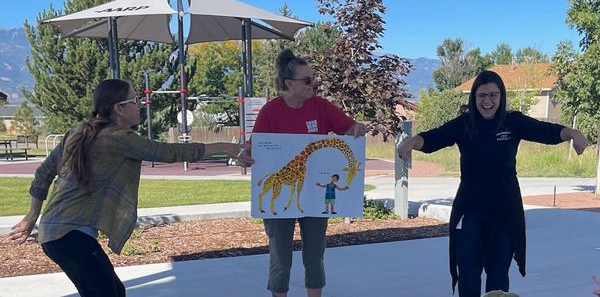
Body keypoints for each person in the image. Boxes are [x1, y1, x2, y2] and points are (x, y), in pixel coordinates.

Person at [9, 79, 243, 297]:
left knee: (113, 291)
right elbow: (170, 152)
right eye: (134, 101)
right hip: (70, 237)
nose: (139, 105)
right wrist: (226, 147)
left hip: (55, 234)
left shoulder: (77, 132)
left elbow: (43, 173)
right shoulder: (121, 139)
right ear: (119, 108)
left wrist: (32, 216)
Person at [397, 70, 588, 297]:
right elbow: (435, 137)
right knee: (468, 273)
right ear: (474, 98)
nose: (487, 101)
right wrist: (412, 142)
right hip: (469, 209)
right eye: (482, 96)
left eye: (493, 95)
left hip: (505, 210)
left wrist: (573, 133)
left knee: (498, 276)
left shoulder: (513, 122)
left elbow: (544, 131)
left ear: (501, 96)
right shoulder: (464, 125)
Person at [237, 49, 366, 297]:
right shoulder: (270, 112)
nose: (313, 85)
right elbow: (255, 149)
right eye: (307, 81)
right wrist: (245, 155)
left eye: (314, 79)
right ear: (289, 84)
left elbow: (349, 128)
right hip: (283, 190)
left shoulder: (321, 107)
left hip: (314, 198)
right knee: (280, 256)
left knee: (315, 255)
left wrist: (357, 128)